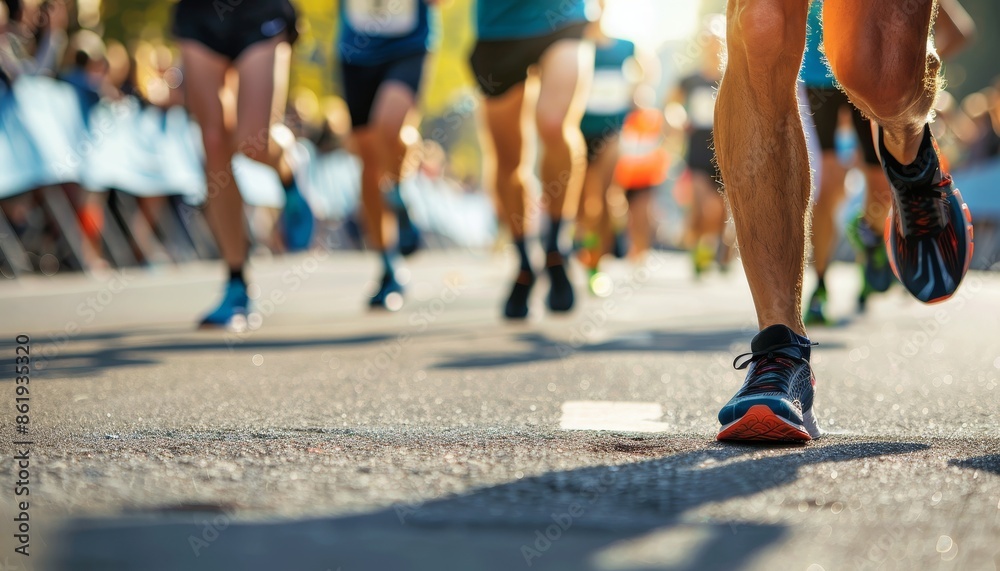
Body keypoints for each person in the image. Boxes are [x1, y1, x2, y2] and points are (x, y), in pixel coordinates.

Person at [714, 0, 974, 441]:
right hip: (816, 91)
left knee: (885, 76)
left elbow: (958, 30)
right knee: (761, 26)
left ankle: (911, 160)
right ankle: (780, 352)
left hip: (856, 80)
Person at [803, 0, 975, 325]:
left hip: (873, 66)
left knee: (880, 185)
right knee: (828, 183)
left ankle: (868, 232)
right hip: (816, 77)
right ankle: (820, 286)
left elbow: (959, 30)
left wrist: (914, 60)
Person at [172, 0, 314, 329]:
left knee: (253, 142)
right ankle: (236, 281)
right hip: (200, 13)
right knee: (214, 141)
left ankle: (288, 170)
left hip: (258, 10)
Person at [471, 0, 594, 319]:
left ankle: (555, 246)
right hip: (498, 29)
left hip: (563, 18)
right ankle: (524, 261)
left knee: (554, 125)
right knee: (508, 158)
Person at [338, 0, 437, 310]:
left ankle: (398, 189)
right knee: (368, 162)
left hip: (408, 44)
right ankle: (387, 264)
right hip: (356, 50)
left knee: (389, 127)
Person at [574, 0, 647, 294]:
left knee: (604, 196)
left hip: (612, 131)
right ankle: (585, 246)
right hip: (577, 132)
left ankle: (596, 262)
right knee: (581, 203)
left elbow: (644, 75)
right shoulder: (572, 47)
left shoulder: (625, 47)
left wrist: (637, 93)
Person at [669, 18, 730, 277]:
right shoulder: (690, 79)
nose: (711, 45)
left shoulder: (730, 78)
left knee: (719, 208)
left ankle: (717, 247)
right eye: (706, 41)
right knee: (700, 205)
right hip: (695, 149)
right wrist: (676, 118)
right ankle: (701, 248)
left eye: (716, 41)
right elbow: (671, 105)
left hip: (724, 151)